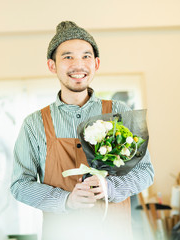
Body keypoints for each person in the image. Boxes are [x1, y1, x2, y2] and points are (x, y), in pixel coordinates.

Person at [10, 21, 154, 240]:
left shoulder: (120, 112)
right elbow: (20, 185)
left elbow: (145, 172)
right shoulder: (34, 124)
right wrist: (66, 200)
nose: (78, 65)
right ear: (52, 65)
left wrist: (110, 188)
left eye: (86, 56)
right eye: (67, 57)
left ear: (96, 63)